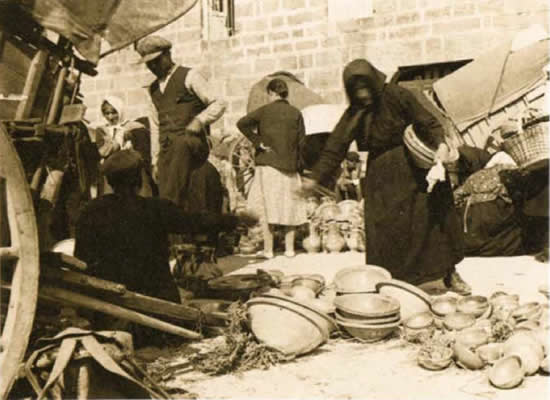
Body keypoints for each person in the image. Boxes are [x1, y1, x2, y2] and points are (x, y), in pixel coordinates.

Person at [301, 59, 470, 294]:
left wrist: (440, 146)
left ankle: (449, 273)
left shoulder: (397, 95)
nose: (363, 95)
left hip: (415, 168)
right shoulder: (356, 112)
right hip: (381, 176)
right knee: (386, 228)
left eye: (365, 88)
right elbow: (336, 145)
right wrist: (316, 176)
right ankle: (393, 281)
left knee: (433, 219)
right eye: (357, 92)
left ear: (374, 82)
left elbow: (428, 122)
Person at [74, 150, 257, 305]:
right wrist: (235, 220)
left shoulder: (89, 211)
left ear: (111, 181)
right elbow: (196, 222)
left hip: (106, 299)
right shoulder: (154, 208)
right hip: (152, 298)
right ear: (139, 178)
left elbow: (81, 258)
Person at [136, 35, 226, 208]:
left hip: (192, 142)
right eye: (149, 64)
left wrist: (200, 120)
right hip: (168, 148)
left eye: (156, 61)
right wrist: (155, 160)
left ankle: (171, 211)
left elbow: (219, 102)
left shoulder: (189, 76)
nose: (153, 67)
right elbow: (155, 127)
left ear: (167, 55)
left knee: (180, 148)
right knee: (162, 178)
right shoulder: (152, 90)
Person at [237, 78, 307, 258]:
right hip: (289, 167)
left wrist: (257, 142)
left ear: (271, 93)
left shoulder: (264, 111)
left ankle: (268, 250)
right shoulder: (295, 113)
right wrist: (299, 167)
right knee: (289, 206)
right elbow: (302, 143)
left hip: (267, 166)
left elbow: (241, 123)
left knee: (268, 208)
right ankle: (289, 249)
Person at [94, 96, 153, 197]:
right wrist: (118, 140)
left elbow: (142, 151)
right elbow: (102, 151)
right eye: (107, 113)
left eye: (114, 112)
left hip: (132, 170)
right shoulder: (102, 130)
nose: (110, 117)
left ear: (120, 110)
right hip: (112, 171)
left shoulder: (133, 127)